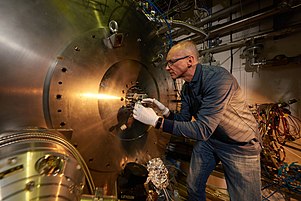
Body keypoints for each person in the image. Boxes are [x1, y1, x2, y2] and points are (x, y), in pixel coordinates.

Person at [133, 40, 262, 201]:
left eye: (171, 62)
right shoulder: (187, 87)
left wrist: (157, 122)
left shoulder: (218, 79)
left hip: (239, 144)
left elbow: (202, 130)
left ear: (190, 60)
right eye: (167, 63)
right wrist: (164, 112)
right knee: (193, 187)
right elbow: (184, 119)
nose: (167, 67)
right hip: (211, 140)